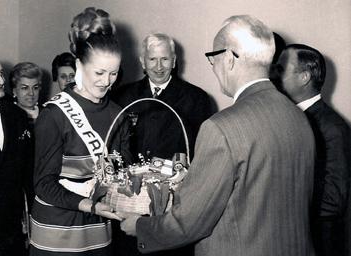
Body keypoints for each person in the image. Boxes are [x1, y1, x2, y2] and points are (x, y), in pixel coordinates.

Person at [120, 15, 316, 256]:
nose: (213, 66)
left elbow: (189, 221)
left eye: (213, 58)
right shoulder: (298, 117)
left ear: (230, 58)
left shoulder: (221, 128)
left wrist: (140, 227)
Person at [29, 7, 131, 255]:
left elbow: (122, 170)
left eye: (113, 73)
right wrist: (90, 205)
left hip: (98, 227)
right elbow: (43, 184)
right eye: (99, 72)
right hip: (57, 229)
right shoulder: (54, 115)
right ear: (78, 65)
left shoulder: (119, 114)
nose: (106, 82)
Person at [276, 44, 351, 256]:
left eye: (281, 69)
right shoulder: (287, 118)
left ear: (304, 77)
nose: (273, 74)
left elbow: (333, 201)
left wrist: (279, 209)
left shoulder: (333, 128)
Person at [112, 33, 212, 161]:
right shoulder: (123, 96)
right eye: (152, 59)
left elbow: (203, 151)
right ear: (143, 62)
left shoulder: (197, 99)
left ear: (174, 61)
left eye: (165, 59)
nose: (159, 67)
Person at [0, 50, 32, 255]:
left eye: (1, 73)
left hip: (12, 228)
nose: (1, 80)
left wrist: (30, 217)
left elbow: (29, 172)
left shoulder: (18, 116)